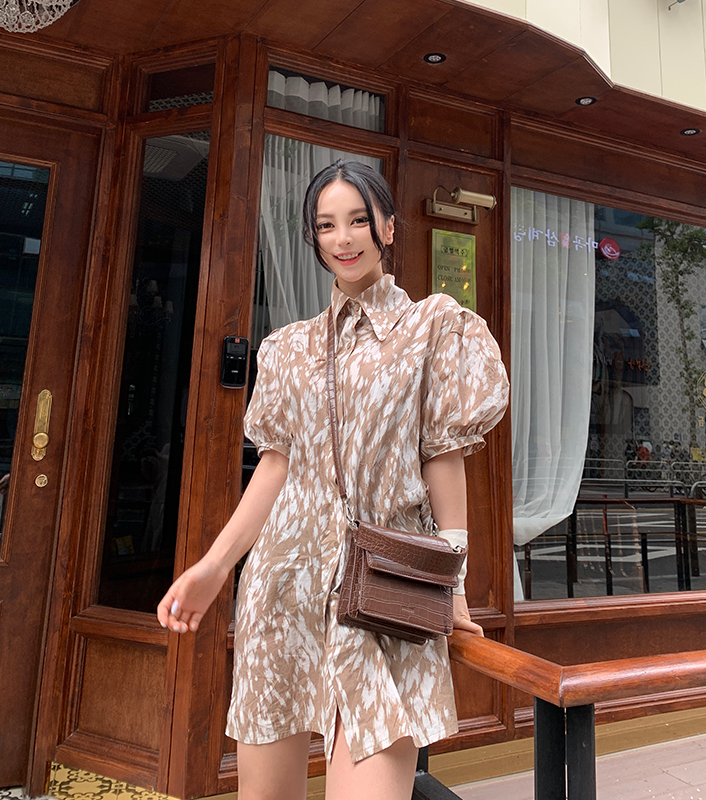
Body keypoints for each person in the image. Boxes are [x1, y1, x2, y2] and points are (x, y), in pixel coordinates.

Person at [157, 160, 509, 800]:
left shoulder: (432, 328)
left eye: (357, 220)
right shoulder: (287, 348)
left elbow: (443, 458)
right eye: (326, 225)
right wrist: (213, 568)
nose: (343, 238)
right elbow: (276, 467)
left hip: (383, 589)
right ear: (313, 237)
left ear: (389, 227)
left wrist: (453, 585)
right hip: (284, 585)